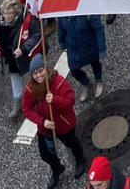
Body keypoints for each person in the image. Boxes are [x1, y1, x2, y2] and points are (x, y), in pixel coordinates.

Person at [22, 54, 86, 188]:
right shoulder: (30, 89)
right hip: (45, 127)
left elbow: (70, 100)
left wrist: (55, 99)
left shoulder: (58, 81)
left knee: (71, 143)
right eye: (34, 73)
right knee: (45, 153)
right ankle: (57, 168)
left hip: (63, 124)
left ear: (46, 69)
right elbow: (26, 110)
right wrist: (41, 121)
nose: (38, 75)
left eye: (40, 71)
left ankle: (80, 160)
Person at [0, 0, 42, 118]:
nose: (7, 16)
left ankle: (40, 96)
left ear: (16, 12)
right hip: (10, 56)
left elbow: (37, 35)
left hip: (27, 54)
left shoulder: (27, 21)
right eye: (5, 12)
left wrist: (24, 48)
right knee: (14, 77)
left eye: (10, 13)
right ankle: (17, 103)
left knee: (36, 74)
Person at [58, 15, 106, 102]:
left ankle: (98, 80)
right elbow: (60, 28)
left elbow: (99, 29)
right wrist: (61, 41)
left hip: (89, 46)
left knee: (95, 63)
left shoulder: (87, 12)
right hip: (73, 49)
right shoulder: (63, 14)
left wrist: (102, 48)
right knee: (74, 69)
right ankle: (86, 83)